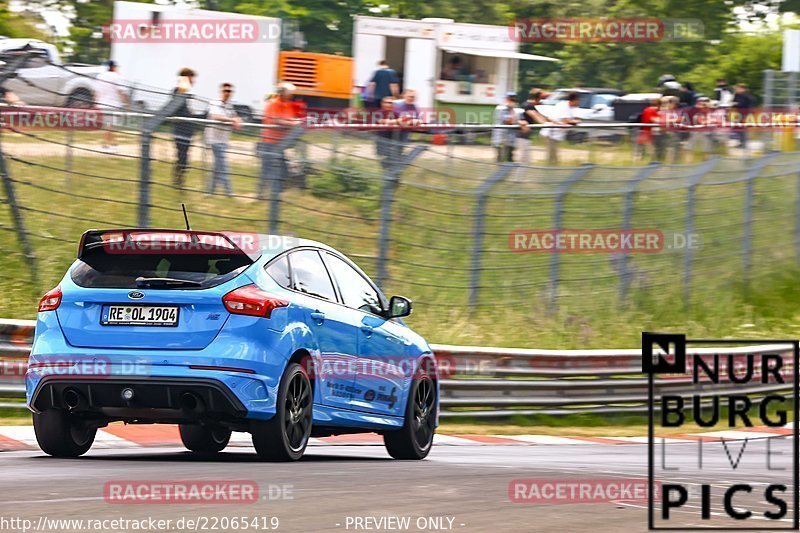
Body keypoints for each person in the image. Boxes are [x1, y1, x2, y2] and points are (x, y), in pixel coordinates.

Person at [260, 82, 302, 198]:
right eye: (290, 93)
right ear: (283, 93)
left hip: (280, 144)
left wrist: (295, 122)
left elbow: (290, 118)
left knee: (282, 170)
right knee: (267, 170)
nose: (292, 95)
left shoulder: (287, 104)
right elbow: (276, 120)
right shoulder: (273, 103)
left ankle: (275, 195)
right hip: (269, 142)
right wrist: (293, 123)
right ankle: (261, 194)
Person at [204, 83, 241, 196]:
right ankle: (229, 193)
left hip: (224, 139)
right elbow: (216, 116)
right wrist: (231, 120)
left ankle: (210, 192)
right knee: (223, 166)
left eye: (229, 91)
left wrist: (238, 121)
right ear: (221, 91)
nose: (227, 93)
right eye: (225, 91)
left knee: (217, 167)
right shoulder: (215, 103)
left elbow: (235, 117)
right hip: (214, 139)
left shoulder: (229, 105)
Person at [172, 67, 204, 188]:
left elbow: (185, 112)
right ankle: (178, 183)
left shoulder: (184, 94)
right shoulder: (177, 92)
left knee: (184, 157)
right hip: (180, 131)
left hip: (185, 131)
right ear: (186, 78)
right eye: (192, 78)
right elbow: (180, 111)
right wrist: (194, 116)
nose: (193, 81)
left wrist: (197, 116)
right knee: (182, 157)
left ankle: (179, 182)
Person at [93, 60, 128, 152]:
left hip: (102, 103)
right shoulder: (117, 77)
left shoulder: (100, 76)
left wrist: (95, 102)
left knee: (109, 125)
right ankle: (110, 145)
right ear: (113, 67)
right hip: (113, 104)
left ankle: (109, 144)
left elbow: (97, 91)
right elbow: (121, 91)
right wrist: (125, 103)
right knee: (111, 125)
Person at [540, 91, 581, 165]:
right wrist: (574, 121)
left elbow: (577, 119)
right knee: (552, 157)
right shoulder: (563, 106)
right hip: (551, 134)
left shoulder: (572, 108)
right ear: (574, 100)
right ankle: (549, 173)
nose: (579, 102)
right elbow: (565, 120)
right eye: (578, 100)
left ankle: (552, 171)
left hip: (557, 135)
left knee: (554, 157)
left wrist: (575, 120)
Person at [517, 88, 549, 165]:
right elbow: (536, 116)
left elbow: (542, 116)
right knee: (525, 161)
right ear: (537, 98)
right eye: (540, 99)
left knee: (525, 161)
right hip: (522, 136)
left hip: (525, 137)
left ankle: (518, 176)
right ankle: (517, 177)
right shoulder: (527, 106)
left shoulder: (529, 106)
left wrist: (556, 123)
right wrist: (545, 123)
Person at [374, 96, 402, 170]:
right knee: (383, 158)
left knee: (394, 158)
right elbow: (381, 121)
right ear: (382, 104)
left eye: (390, 103)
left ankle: (391, 173)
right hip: (381, 139)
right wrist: (397, 121)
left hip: (393, 139)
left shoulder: (396, 114)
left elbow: (402, 121)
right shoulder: (378, 113)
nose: (387, 104)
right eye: (385, 102)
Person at [492, 92, 520, 163]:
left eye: (514, 100)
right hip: (501, 140)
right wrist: (512, 110)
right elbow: (509, 121)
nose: (513, 101)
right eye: (510, 99)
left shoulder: (515, 110)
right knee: (501, 161)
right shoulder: (501, 108)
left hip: (510, 141)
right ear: (506, 99)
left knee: (510, 161)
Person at [732, 83, 756, 149]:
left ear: (742, 89)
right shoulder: (740, 95)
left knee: (740, 128)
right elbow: (734, 101)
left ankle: (743, 143)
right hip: (741, 113)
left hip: (744, 113)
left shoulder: (745, 95)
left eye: (738, 88)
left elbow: (741, 104)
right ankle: (742, 142)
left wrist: (735, 104)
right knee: (739, 128)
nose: (736, 90)